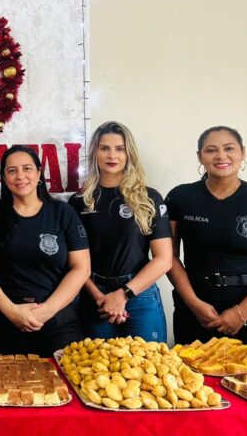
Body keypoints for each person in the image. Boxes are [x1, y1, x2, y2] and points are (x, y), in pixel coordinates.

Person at [166, 126, 247, 353]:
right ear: (200, 157)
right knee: (193, 383)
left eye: (229, 149)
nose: (221, 156)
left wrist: (241, 312)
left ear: (242, 153)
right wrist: (194, 304)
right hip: (196, 310)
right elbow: (169, 257)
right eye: (211, 150)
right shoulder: (180, 197)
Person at [0, 145, 90, 356]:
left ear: (39, 173)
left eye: (27, 168)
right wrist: (11, 310)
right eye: (12, 170)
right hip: (4, 322)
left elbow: (81, 268)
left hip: (57, 323)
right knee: (8, 387)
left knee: (60, 386)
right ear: (4, 178)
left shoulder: (63, 213)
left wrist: (47, 311)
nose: (20, 176)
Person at [69, 122, 173, 342]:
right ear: (94, 153)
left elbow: (164, 260)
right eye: (104, 148)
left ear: (129, 153)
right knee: (97, 372)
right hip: (95, 298)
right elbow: (73, 260)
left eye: (120, 148)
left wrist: (123, 294)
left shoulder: (148, 198)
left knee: (151, 370)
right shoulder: (79, 202)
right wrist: (100, 297)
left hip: (139, 295)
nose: (112, 155)